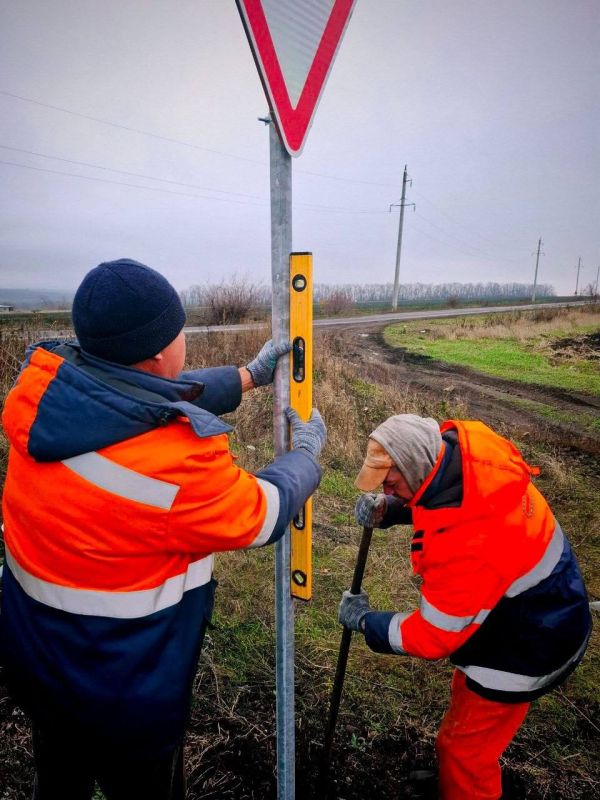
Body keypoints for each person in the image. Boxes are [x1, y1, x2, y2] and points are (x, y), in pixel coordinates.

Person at [0, 258, 326, 800]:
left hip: (40, 668)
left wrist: (246, 376)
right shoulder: (174, 467)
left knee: (57, 780)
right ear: (157, 352)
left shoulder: (42, 403)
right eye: (180, 332)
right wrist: (307, 458)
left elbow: (133, 397)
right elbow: (262, 513)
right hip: (124, 695)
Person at [338, 414, 591, 800]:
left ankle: (466, 785)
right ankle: (456, 783)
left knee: (464, 753)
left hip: (531, 644)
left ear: (416, 466)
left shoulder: (468, 543)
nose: (387, 488)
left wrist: (366, 621)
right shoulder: (463, 460)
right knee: (464, 712)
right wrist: (393, 509)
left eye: (391, 483)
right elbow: (441, 500)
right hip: (535, 607)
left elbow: (433, 636)